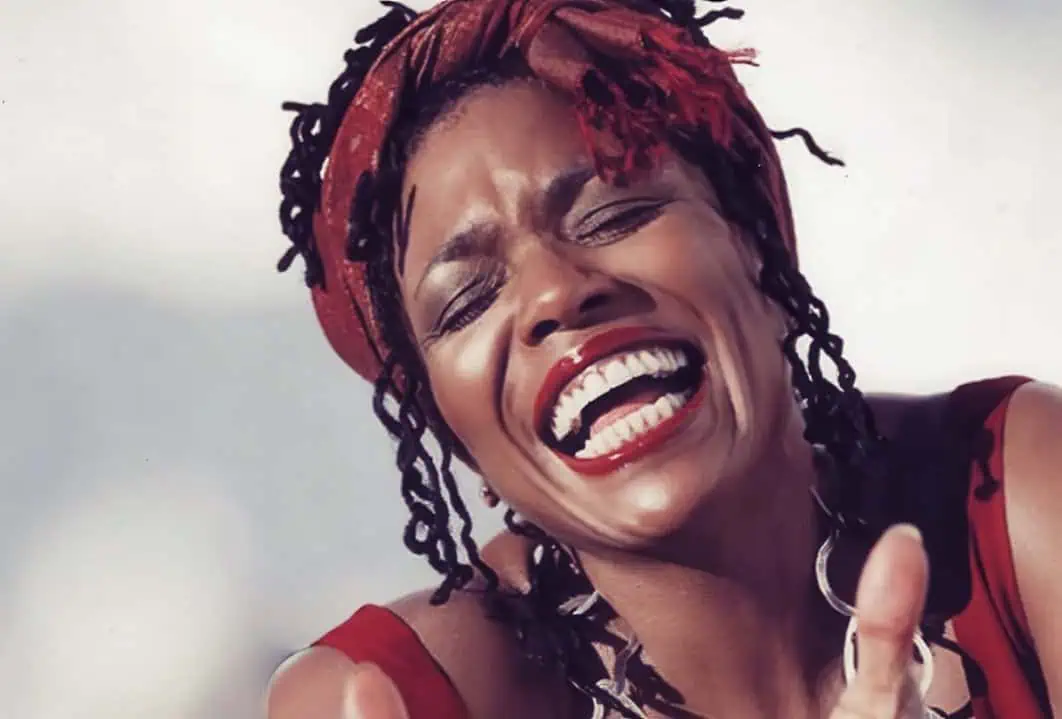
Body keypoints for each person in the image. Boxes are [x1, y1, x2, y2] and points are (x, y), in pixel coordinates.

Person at [265, 1, 1062, 717]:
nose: (555, 295)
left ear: (756, 239)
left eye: (617, 210)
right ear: (453, 427)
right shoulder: (396, 696)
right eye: (467, 301)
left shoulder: (1013, 488)